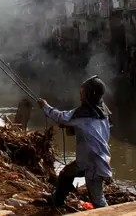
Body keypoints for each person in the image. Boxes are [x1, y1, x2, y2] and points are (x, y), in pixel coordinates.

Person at [38, 75, 112, 209]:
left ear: (90, 94)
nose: (80, 96)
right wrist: (71, 126)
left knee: (98, 201)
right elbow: (90, 129)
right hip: (92, 160)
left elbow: (60, 117)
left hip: (94, 164)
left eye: (83, 93)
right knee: (66, 174)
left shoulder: (82, 113)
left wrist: (45, 106)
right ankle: (57, 201)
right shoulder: (103, 112)